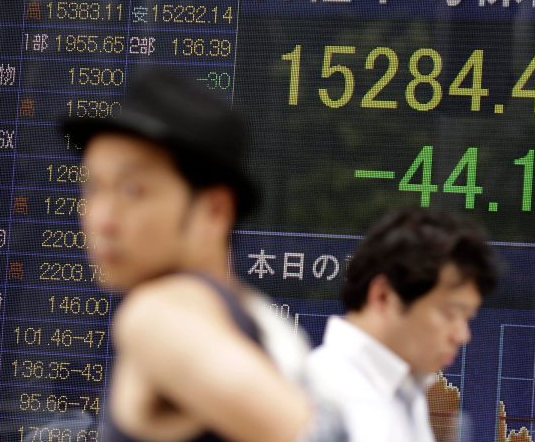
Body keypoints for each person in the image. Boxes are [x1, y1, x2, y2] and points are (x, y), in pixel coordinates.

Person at [62, 68, 342, 442]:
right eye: (93, 188)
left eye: (132, 190)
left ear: (214, 211)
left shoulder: (157, 314)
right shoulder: (254, 314)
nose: (102, 219)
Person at [306, 208, 498, 442]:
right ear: (383, 296)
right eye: (450, 314)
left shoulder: (406, 392)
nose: (462, 335)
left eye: (467, 318)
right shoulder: (318, 399)